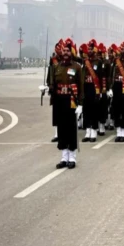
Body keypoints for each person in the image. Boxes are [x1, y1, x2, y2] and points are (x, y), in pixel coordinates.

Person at [50, 38, 83, 169]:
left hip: (71, 101)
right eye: (64, 50)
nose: (65, 53)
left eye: (68, 51)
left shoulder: (77, 67)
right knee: (62, 130)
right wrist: (49, 89)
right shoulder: (56, 67)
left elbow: (81, 86)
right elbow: (53, 83)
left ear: (72, 52)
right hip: (60, 101)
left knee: (71, 129)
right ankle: (64, 157)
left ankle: (72, 158)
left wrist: (80, 104)